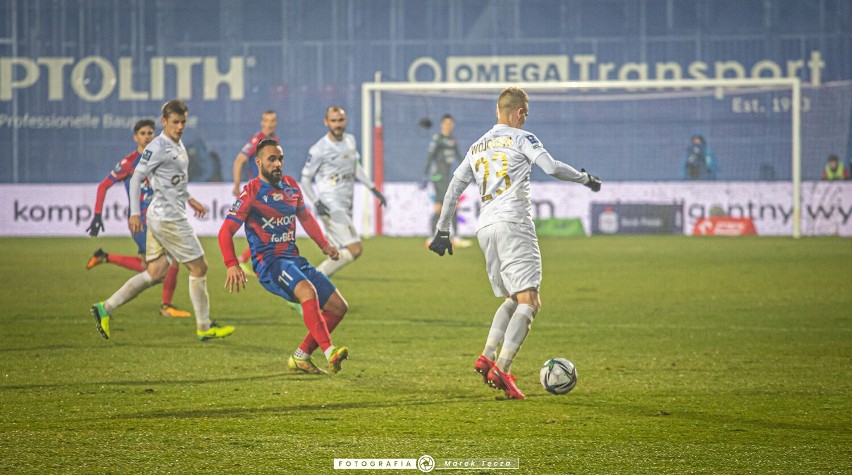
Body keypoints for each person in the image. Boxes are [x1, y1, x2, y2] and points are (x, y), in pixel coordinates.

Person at [428, 87, 601, 400]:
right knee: (530, 300)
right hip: (514, 223)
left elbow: (454, 187)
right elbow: (551, 167)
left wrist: (442, 229)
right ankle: (503, 368)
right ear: (519, 113)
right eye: (524, 115)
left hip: (486, 229)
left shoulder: (477, 145)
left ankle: (487, 355)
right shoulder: (523, 138)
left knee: (512, 297)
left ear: (498, 111)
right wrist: (584, 178)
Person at [90, 99, 234, 342]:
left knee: (155, 272)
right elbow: (136, 178)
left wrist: (190, 198)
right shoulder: (158, 147)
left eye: (183, 122)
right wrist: (135, 212)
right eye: (175, 122)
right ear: (164, 122)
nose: (179, 127)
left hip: (162, 215)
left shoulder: (178, 145)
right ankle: (204, 326)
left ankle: (106, 307)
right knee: (200, 267)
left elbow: (170, 181)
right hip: (169, 219)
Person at [219, 139, 350, 374]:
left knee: (338, 307)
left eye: (280, 158)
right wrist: (231, 264)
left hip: (293, 260)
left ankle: (301, 356)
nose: (277, 163)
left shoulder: (291, 186)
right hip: (269, 264)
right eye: (272, 159)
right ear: (258, 162)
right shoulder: (251, 193)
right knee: (307, 291)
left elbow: (306, 218)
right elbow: (225, 232)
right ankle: (330, 352)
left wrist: (324, 245)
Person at [85, 119, 191, 319]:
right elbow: (103, 186)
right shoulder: (129, 162)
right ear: (136, 137)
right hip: (141, 222)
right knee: (170, 260)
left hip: (160, 218)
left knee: (149, 267)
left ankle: (105, 258)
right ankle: (165, 306)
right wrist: (98, 214)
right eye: (142, 133)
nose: (147, 136)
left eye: (150, 132)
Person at [300, 105, 387, 277]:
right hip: (330, 205)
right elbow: (305, 179)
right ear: (326, 122)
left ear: (345, 121)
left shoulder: (350, 141)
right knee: (355, 249)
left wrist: (372, 188)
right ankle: (310, 284)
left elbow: (356, 167)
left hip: (346, 202)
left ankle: (313, 291)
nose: (337, 124)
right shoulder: (319, 149)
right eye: (333, 121)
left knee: (338, 253)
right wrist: (317, 202)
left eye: (340, 120)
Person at [232, 110, 280, 274]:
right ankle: (244, 260)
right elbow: (239, 160)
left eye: (272, 121)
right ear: (262, 122)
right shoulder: (257, 140)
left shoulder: (274, 140)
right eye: (266, 120)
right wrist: (237, 185)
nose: (269, 124)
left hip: (268, 189)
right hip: (258, 190)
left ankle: (248, 260)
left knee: (268, 227)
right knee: (269, 227)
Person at [421, 114, 470, 248]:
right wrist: (425, 175)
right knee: (448, 205)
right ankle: (444, 237)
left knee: (443, 207)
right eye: (446, 123)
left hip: (447, 177)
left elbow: (460, 158)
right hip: (438, 177)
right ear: (442, 124)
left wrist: (467, 171)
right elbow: (430, 157)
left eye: (450, 123)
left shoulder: (452, 140)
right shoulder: (438, 139)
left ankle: (435, 237)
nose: (448, 126)